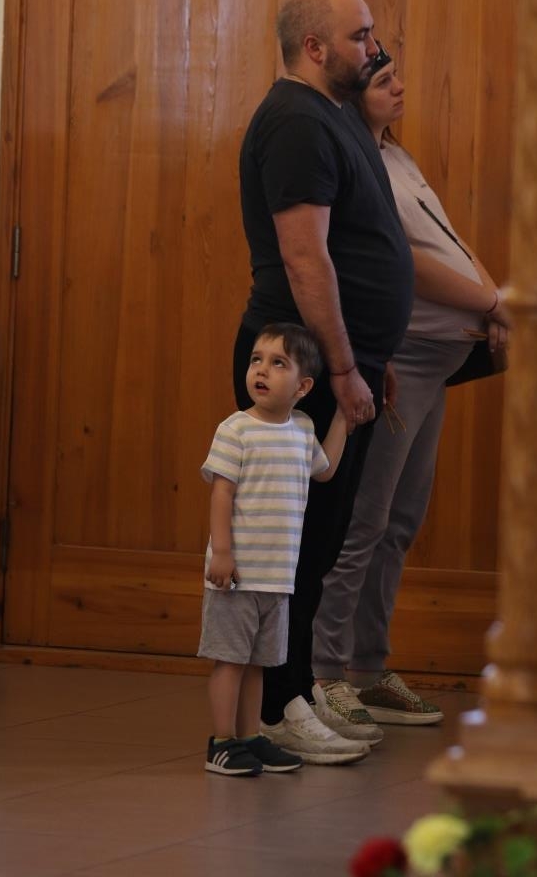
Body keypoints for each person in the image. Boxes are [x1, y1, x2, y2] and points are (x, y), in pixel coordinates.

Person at [234, 0, 414, 763]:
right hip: (303, 368)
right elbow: (306, 260)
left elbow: (358, 245)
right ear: (314, 47)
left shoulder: (335, 114)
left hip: (342, 364)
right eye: (360, 35)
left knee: (324, 536)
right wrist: (342, 365)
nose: (374, 47)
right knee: (294, 546)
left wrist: (373, 355)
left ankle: (298, 690)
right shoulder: (296, 123)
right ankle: (276, 707)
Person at [311, 46, 511, 726]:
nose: (399, 87)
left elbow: (448, 242)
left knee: (398, 523)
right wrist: (493, 304)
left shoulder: (395, 156)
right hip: (403, 356)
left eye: (397, 76)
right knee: (363, 520)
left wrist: (491, 302)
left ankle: (368, 669)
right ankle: (324, 672)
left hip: (442, 359)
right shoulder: (355, 164)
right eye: (383, 81)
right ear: (350, 95)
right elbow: (408, 264)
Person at [200, 322, 348, 776]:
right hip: (238, 575)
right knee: (231, 661)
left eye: (278, 363)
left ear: (303, 387)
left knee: (258, 664)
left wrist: (344, 418)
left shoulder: (302, 429)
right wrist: (222, 553)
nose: (261, 370)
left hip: (277, 576)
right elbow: (221, 493)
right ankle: (222, 742)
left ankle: (250, 737)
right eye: (256, 360)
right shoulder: (235, 430)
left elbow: (325, 470)